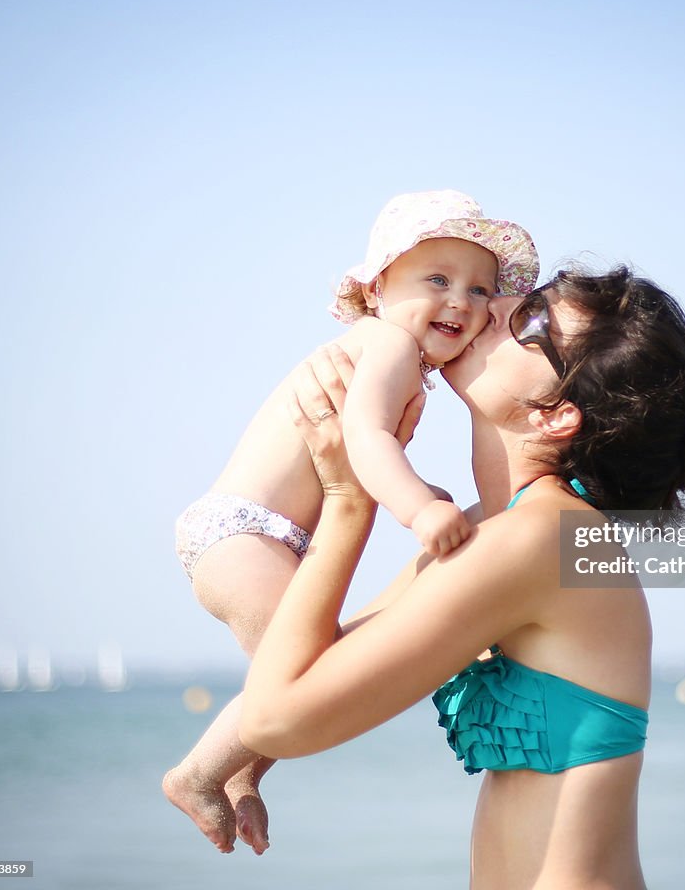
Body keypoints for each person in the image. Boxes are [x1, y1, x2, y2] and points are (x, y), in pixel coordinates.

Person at [240, 263, 685, 888]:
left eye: (532, 317)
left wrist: (349, 500)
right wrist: (219, 768)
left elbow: (278, 718)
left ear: (555, 415)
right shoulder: (501, 528)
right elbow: (329, 663)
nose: (498, 301)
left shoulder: (539, 540)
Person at [164, 190, 538, 854]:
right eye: (438, 280)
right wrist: (420, 505)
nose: (462, 301)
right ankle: (197, 775)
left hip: (259, 533)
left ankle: (241, 776)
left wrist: (430, 495)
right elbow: (365, 440)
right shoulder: (389, 345)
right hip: (242, 531)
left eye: (482, 290)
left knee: (296, 671)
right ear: (376, 288)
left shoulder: (396, 354)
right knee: (309, 677)